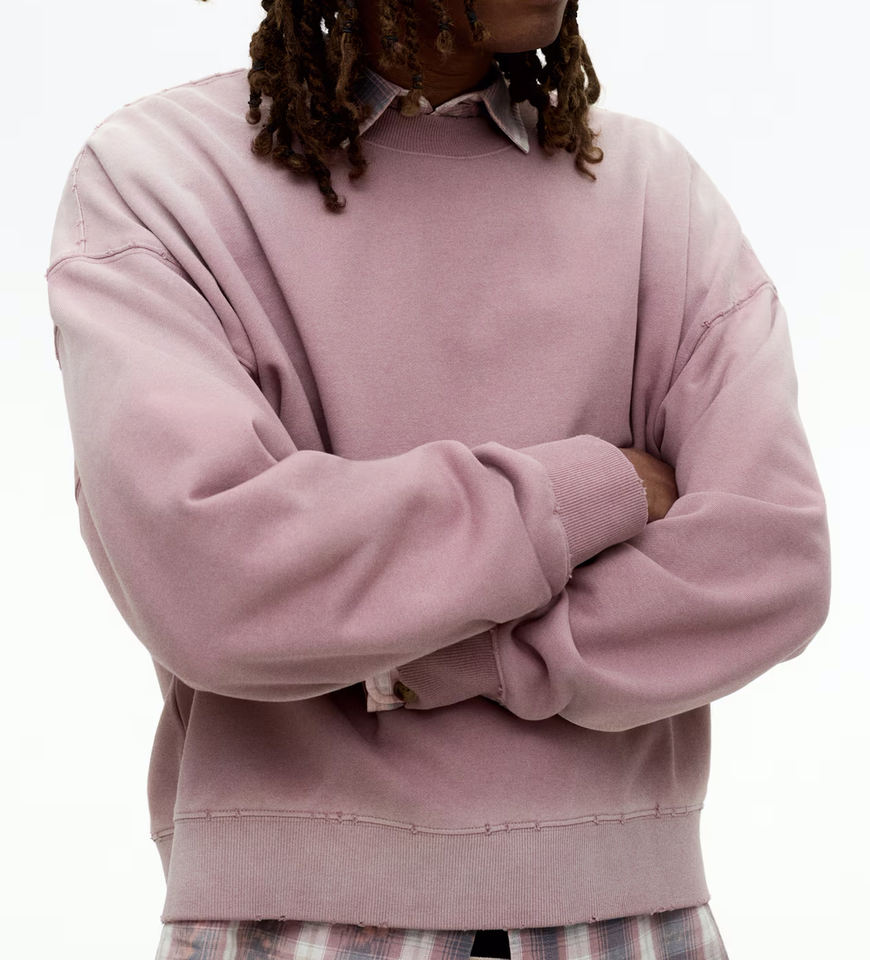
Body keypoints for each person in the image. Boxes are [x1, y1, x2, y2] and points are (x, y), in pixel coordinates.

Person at [45, 0, 831, 958]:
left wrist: (453, 662)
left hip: (633, 924)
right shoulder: (163, 180)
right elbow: (210, 573)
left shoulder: (653, 193)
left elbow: (772, 563)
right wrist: (597, 487)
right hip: (298, 927)